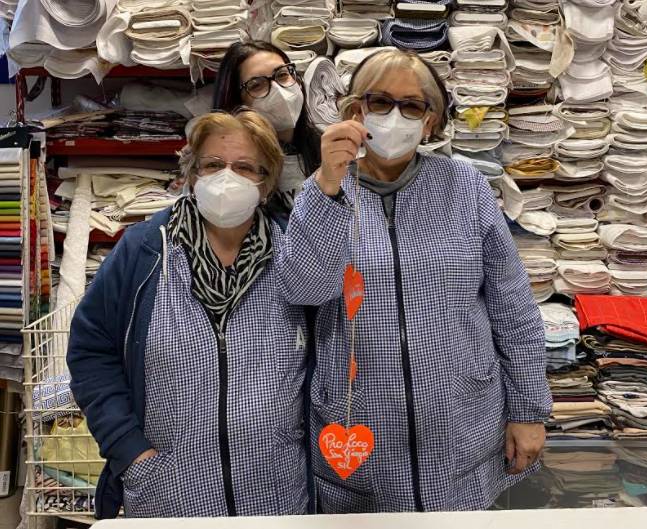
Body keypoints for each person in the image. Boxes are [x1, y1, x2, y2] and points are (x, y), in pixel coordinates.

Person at [276, 49, 552, 512]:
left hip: (462, 425)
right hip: (361, 434)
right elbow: (302, 289)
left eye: (412, 105)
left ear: (430, 123)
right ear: (355, 111)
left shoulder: (466, 187)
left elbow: (514, 309)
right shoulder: (323, 190)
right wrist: (327, 183)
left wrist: (528, 411)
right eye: (380, 102)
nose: (395, 117)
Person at [68, 110, 309, 519]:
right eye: (213, 165)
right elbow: (91, 352)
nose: (226, 178)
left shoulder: (296, 256)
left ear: (266, 183)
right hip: (169, 493)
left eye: (245, 167)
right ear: (192, 175)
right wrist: (130, 452)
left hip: (278, 493)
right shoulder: (144, 251)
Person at [213, 41, 321, 221]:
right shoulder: (231, 168)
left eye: (282, 75)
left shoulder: (322, 147)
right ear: (237, 102)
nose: (279, 91)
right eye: (256, 85)